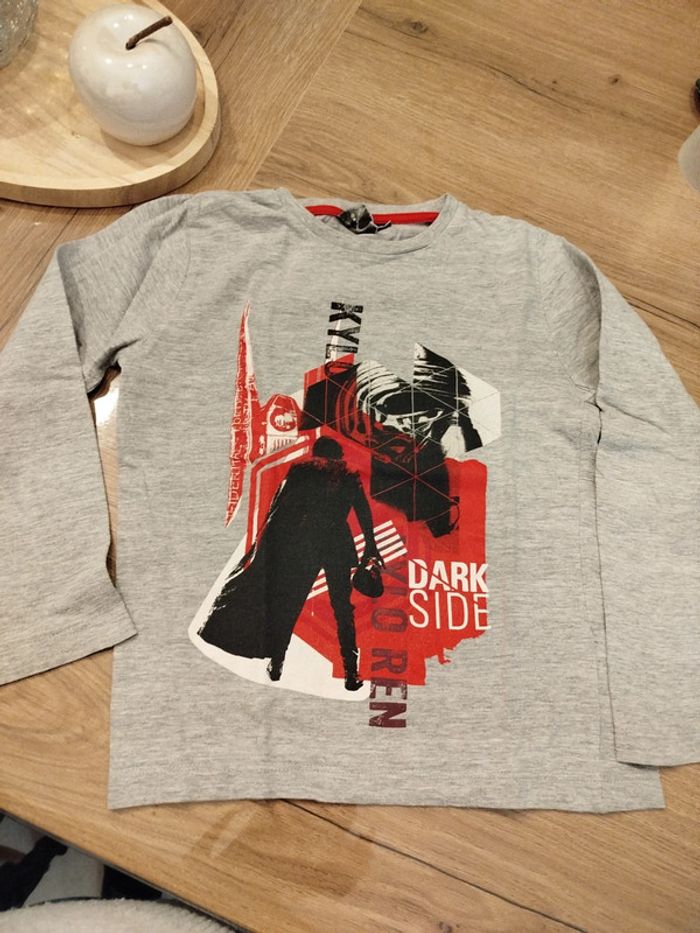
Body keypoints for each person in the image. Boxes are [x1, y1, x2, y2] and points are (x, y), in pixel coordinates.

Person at [199, 436, 383, 690]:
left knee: (289, 605)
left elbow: (279, 509)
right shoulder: (349, 475)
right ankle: (351, 673)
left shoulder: (301, 470)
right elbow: (363, 512)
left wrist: (268, 548)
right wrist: (370, 547)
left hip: (304, 545)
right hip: (337, 546)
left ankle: (277, 664)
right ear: (338, 455)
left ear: (315, 453)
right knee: (342, 609)